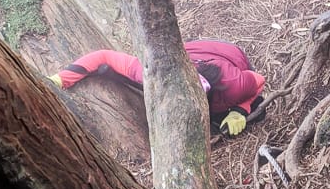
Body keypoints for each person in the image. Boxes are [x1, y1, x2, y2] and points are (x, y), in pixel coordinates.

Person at [48, 42, 265, 137]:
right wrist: (59, 80)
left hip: (229, 53)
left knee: (233, 116)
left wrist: (240, 110)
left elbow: (258, 80)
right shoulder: (152, 72)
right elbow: (103, 56)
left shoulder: (232, 85)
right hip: (193, 50)